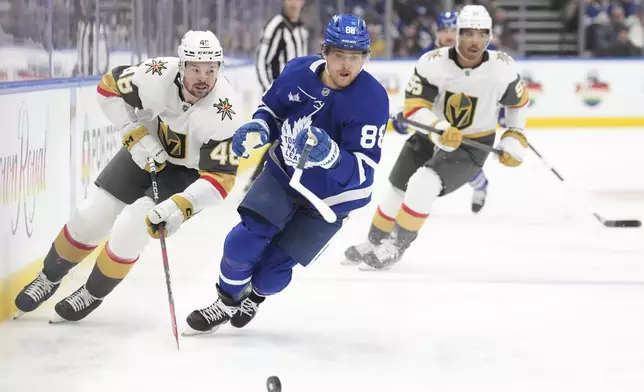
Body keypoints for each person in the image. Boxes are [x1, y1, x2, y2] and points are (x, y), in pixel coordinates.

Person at [14, 30, 243, 322]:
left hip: (187, 173)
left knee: (133, 227)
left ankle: (93, 292)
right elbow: (108, 87)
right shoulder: (155, 74)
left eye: (211, 70)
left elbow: (221, 180)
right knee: (92, 215)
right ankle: (48, 277)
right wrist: (132, 132)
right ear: (181, 65)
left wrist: (178, 207)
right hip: (144, 149)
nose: (203, 78)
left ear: (219, 69)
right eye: (195, 68)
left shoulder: (226, 112)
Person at [183, 14, 389, 334]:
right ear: (325, 52)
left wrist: (334, 157)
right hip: (284, 173)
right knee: (242, 241)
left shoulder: (372, 100)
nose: (346, 65)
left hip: (332, 200)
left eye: (354, 57)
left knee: (272, 274)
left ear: (366, 58)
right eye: (338, 55)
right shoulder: (297, 72)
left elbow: (362, 174)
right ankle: (226, 302)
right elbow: (272, 110)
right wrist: (260, 126)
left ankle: (255, 297)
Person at [344, 5, 530, 270]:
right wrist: (439, 127)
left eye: (480, 34)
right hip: (430, 135)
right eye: (467, 33)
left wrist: (514, 135)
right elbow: (415, 106)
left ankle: (397, 245)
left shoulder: (502, 68)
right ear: (456, 34)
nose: (474, 40)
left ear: (489, 36)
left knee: (423, 183)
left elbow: (519, 102)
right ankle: (375, 241)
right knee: (397, 187)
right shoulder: (432, 62)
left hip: (470, 145)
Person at [393, 11, 494, 214]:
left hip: (464, 122)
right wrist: (405, 117)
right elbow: (415, 96)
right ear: (436, 33)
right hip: (434, 123)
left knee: (459, 163)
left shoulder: (479, 59)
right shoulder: (427, 60)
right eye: (443, 30)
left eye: (453, 30)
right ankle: (401, 209)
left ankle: (480, 184)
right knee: (415, 167)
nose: (448, 35)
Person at [249, 0, 309, 191]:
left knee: (287, 137)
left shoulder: (302, 29)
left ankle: (265, 179)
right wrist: (271, 94)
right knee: (280, 135)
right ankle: (260, 180)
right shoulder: (276, 26)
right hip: (281, 94)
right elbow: (261, 61)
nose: (293, 3)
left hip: (299, 94)